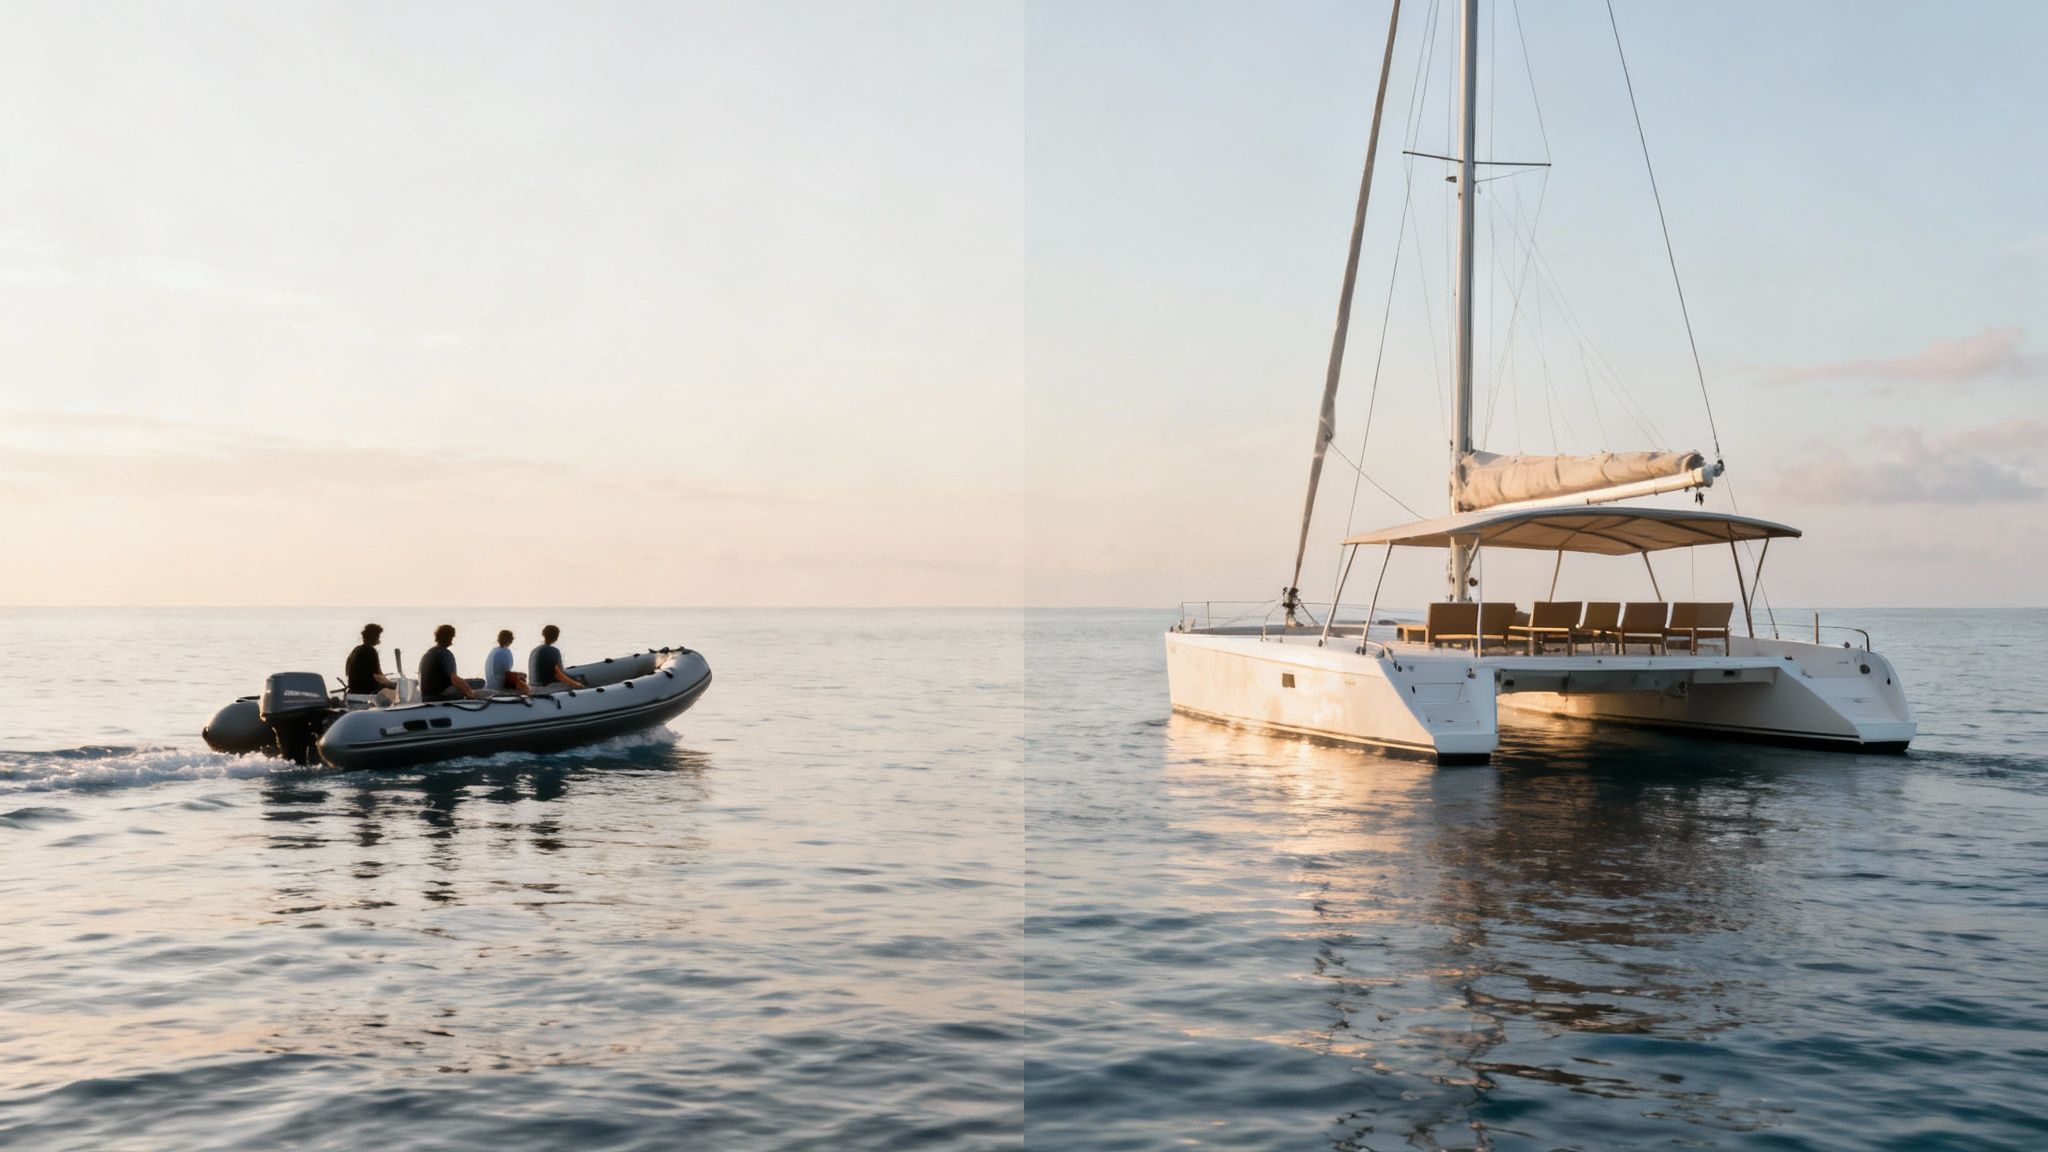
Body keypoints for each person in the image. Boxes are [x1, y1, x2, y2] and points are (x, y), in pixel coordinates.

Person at [418, 624, 479, 701]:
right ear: (450, 637)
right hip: (439, 695)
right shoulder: (445, 654)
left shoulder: (429, 653)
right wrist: (470, 694)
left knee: (475, 682)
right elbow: (454, 680)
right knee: (477, 685)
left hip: (426, 694)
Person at [345, 623, 398, 704]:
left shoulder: (356, 649)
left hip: (354, 689)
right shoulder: (371, 651)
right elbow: (377, 676)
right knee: (395, 690)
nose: (379, 639)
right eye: (378, 636)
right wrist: (392, 685)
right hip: (366, 690)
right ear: (374, 637)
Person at [528, 623, 585, 692]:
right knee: (579, 681)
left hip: (533, 686)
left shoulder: (534, 650)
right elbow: (558, 675)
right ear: (556, 637)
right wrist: (576, 684)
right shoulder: (553, 651)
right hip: (546, 688)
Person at [483, 629, 530, 696]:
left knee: (518, 676)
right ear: (510, 640)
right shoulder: (505, 652)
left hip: (490, 684)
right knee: (523, 675)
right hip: (499, 686)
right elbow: (507, 673)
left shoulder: (494, 650)